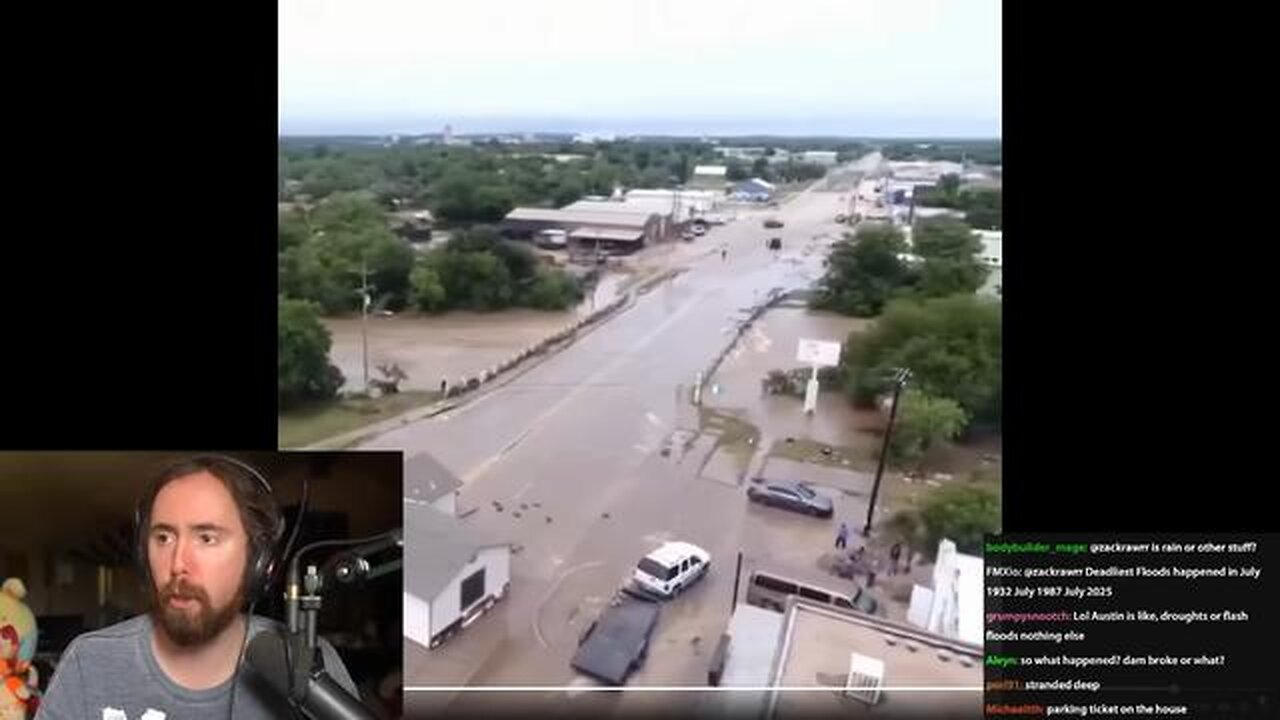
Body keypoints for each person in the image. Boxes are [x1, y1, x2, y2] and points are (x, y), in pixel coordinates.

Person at [37, 456, 359, 719]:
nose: (178, 563)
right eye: (163, 537)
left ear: (258, 562)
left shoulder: (310, 665)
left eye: (206, 538)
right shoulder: (89, 661)